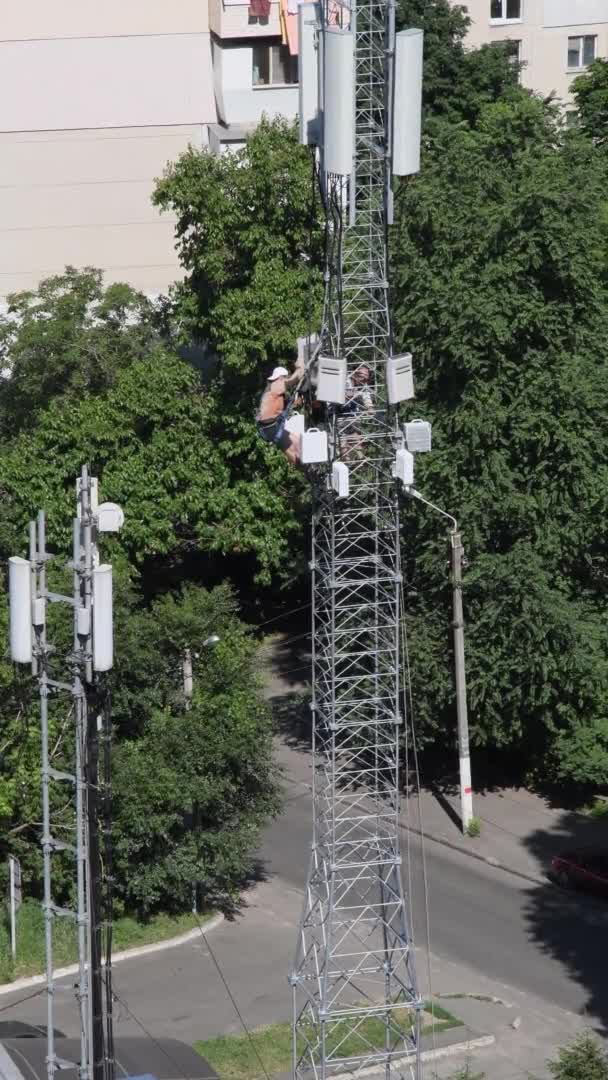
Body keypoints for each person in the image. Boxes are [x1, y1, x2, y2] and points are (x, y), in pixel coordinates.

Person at [256, 363, 303, 466]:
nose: (285, 379)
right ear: (280, 377)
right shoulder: (275, 385)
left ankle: (304, 464)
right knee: (293, 449)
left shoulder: (276, 392)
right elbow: (291, 382)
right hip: (270, 428)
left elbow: (281, 407)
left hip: (270, 427)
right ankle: (304, 467)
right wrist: (300, 370)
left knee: (298, 441)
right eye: (285, 378)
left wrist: (296, 403)